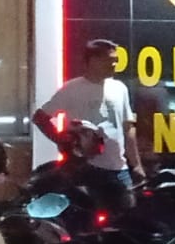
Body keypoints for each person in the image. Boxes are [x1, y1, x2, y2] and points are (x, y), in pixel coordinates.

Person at [33, 39, 143, 196]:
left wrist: (136, 164)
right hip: (83, 169)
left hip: (118, 168)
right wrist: (61, 139)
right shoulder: (72, 88)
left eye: (116, 60)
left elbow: (128, 128)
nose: (114, 64)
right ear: (92, 61)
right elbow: (40, 117)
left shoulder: (120, 89)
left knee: (125, 209)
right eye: (109, 60)